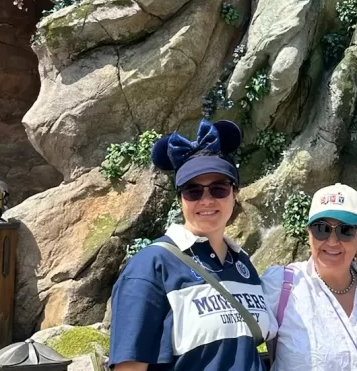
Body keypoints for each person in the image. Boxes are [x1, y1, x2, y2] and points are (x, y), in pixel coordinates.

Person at [109, 120, 272, 371]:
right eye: (193, 191)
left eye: (218, 189)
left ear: (235, 192)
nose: (206, 200)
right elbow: (129, 367)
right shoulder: (151, 266)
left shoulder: (243, 263)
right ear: (180, 199)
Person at [261, 183, 357, 371]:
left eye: (345, 230)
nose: (332, 241)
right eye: (321, 229)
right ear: (309, 233)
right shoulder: (281, 286)